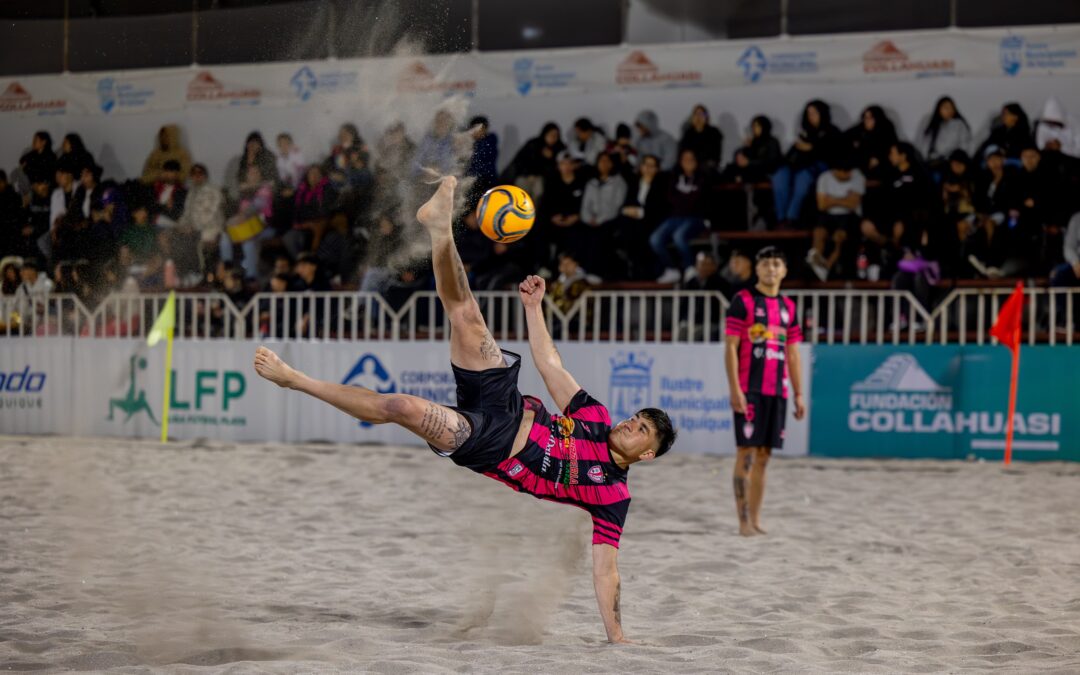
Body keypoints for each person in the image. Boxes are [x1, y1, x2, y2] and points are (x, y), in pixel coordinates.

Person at [253, 176, 677, 644]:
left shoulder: (613, 497)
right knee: (467, 314)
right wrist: (534, 309)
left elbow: (607, 570)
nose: (628, 425)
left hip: (491, 446)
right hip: (509, 402)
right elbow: (550, 364)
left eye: (639, 431)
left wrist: (617, 636)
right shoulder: (595, 418)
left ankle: (296, 380)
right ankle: (439, 227)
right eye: (635, 418)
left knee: (400, 405)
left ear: (646, 455)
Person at [724, 246, 805, 537]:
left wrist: (798, 393)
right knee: (746, 452)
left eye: (776, 264)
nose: (771, 269)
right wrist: (735, 389)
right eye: (766, 264)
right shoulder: (743, 301)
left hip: (777, 392)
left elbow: (793, 354)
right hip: (750, 389)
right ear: (757, 269)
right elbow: (731, 348)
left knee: (764, 456)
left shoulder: (789, 307)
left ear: (784, 271)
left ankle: (755, 520)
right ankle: (743, 521)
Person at [772, 100, 841, 226]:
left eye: (814, 113)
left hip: (816, 168)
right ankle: (781, 218)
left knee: (802, 178)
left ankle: (792, 217)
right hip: (797, 166)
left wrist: (812, 148)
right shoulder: (804, 133)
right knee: (780, 175)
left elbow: (833, 155)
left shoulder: (832, 131)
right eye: (809, 113)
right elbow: (791, 155)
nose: (811, 117)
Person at [652, 149, 708, 283]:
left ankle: (689, 268)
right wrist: (687, 199)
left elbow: (699, 199)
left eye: (691, 159)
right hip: (675, 216)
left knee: (679, 236)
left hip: (695, 217)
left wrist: (684, 199)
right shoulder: (673, 177)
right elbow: (671, 198)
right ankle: (671, 269)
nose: (688, 162)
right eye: (684, 159)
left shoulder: (703, 177)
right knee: (655, 239)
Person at [808, 152, 866, 281]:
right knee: (819, 232)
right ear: (836, 171)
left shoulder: (858, 177)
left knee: (839, 237)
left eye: (849, 172)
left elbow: (853, 204)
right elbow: (822, 205)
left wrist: (832, 200)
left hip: (849, 216)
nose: (848, 175)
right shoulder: (824, 178)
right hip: (828, 215)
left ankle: (827, 266)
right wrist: (844, 199)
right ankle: (817, 263)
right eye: (844, 173)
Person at [578, 152, 628, 278]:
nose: (604, 164)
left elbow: (617, 206)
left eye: (607, 161)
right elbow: (585, 205)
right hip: (590, 221)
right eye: (601, 161)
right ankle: (582, 271)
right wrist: (588, 219)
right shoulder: (591, 183)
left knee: (600, 236)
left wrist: (599, 220)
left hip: (610, 220)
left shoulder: (619, 182)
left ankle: (596, 273)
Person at [918, 96, 972, 172]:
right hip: (929, 162)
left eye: (952, 108)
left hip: (950, 162)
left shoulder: (959, 125)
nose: (949, 111)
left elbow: (965, 146)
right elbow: (921, 143)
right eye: (946, 108)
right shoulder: (929, 122)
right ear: (938, 109)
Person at [845, 105, 897, 181]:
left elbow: (891, 150)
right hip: (859, 167)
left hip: (881, 168)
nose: (867, 121)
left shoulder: (886, 129)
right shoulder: (858, 129)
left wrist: (879, 159)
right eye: (865, 118)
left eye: (870, 118)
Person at [678, 104, 723, 171]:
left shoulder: (714, 132)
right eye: (696, 114)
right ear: (692, 117)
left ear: (706, 117)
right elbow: (684, 151)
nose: (699, 117)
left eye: (701, 114)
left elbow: (715, 155)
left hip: (708, 165)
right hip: (690, 164)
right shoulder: (688, 133)